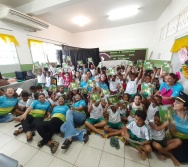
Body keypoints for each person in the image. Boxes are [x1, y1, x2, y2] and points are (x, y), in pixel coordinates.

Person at [169, 91, 188, 163]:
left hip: (186, 139)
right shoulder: (168, 111)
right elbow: (168, 130)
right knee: (183, 159)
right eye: (175, 101)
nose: (174, 103)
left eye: (178, 103)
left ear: (185, 107)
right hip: (175, 138)